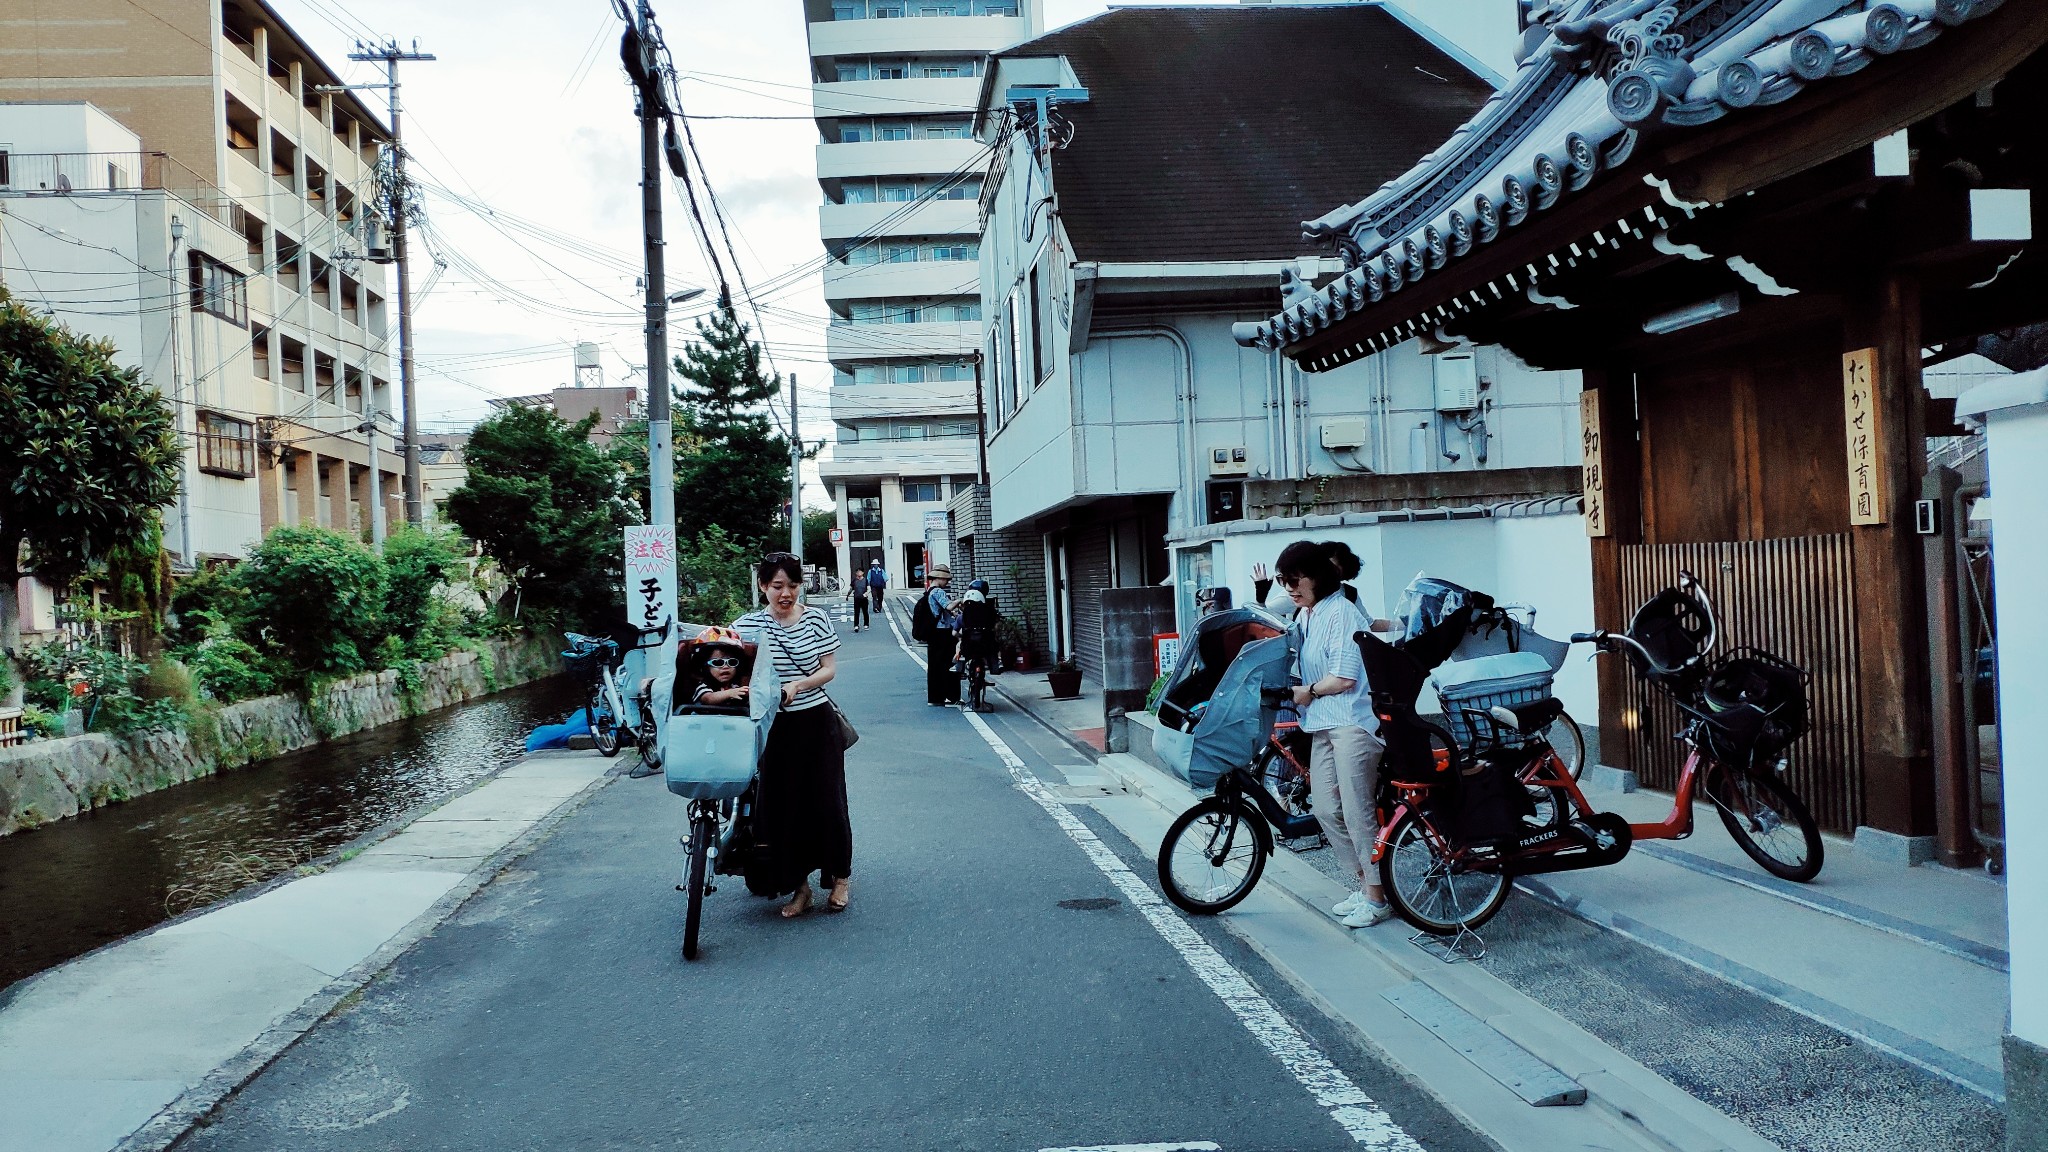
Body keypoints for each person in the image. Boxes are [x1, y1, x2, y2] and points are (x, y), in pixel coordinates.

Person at [1275, 540, 1394, 929]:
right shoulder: (1306, 615)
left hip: (1352, 724)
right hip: (1322, 723)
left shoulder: (1340, 612)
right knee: (1325, 810)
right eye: (1284, 581)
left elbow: (1344, 677)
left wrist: (1306, 692)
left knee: (1359, 815)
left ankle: (1378, 900)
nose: (1290, 588)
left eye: (1296, 579)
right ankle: (1365, 887)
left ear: (1318, 576)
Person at [734, 553, 851, 917]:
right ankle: (799, 889)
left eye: (793, 585)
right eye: (777, 586)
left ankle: (841, 878)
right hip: (775, 728)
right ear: (763, 586)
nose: (785, 593)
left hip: (817, 722)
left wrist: (798, 684)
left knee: (828, 801)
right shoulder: (749, 626)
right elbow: (717, 654)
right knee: (785, 808)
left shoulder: (816, 618)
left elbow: (829, 669)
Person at [918, 564, 960, 706]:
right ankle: (950, 695)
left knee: (935, 665)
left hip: (933, 633)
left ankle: (936, 697)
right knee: (948, 664)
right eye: (946, 579)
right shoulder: (938, 592)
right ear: (939, 578)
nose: (947, 582)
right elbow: (949, 606)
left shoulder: (929, 591)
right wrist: (960, 600)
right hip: (942, 632)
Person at [689, 629, 751, 707]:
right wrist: (730, 693)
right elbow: (708, 699)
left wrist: (747, 694)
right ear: (705, 666)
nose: (725, 666)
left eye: (732, 662)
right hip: (702, 718)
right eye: (718, 662)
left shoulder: (734, 686)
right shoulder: (704, 686)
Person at [955, 579, 1001, 680]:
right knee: (995, 647)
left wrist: (961, 636)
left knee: (960, 648)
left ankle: (959, 668)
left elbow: (954, 633)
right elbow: (996, 626)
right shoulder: (989, 610)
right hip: (986, 643)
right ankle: (997, 665)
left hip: (968, 644)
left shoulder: (963, 615)